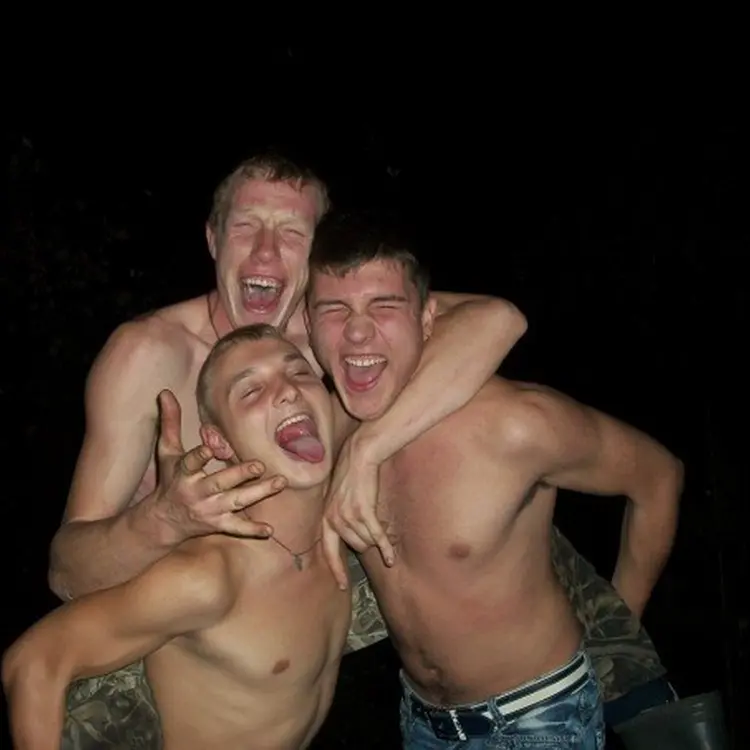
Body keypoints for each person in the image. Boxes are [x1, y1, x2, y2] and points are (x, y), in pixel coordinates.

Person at [46, 152, 528, 747]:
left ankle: (600, 679)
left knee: (477, 448)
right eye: (246, 227)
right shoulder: (149, 356)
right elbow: (66, 572)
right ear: (212, 239)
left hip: (303, 587)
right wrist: (164, 520)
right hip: (169, 642)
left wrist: (366, 449)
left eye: (293, 234)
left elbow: (496, 319)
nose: (266, 253)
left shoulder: (332, 324)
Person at [305, 214, 686, 749]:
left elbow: (659, 476)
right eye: (334, 310)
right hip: (421, 721)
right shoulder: (329, 425)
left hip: (541, 718)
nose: (357, 332)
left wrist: (616, 637)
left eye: (384, 306)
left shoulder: (514, 424)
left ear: (429, 317)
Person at [4, 324, 353, 750]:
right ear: (220, 442)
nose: (288, 391)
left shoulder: (341, 519)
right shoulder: (207, 577)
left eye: (299, 373)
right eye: (251, 391)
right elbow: (34, 660)